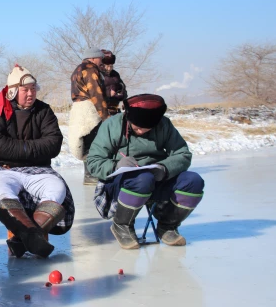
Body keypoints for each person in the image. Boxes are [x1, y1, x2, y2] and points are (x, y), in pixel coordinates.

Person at [0, 64, 75, 259]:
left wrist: (15, 149)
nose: (30, 94)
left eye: (33, 89)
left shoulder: (44, 111)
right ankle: (30, 237)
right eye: (25, 90)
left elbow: (53, 144)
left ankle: (22, 239)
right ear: (13, 91)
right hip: (3, 170)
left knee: (57, 189)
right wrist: (32, 149)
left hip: (39, 170)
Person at [86, 94, 205, 249]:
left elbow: (182, 154)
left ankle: (167, 225)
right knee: (143, 179)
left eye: (147, 128)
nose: (141, 132)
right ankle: (122, 225)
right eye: (137, 127)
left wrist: (164, 168)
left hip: (157, 178)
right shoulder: (112, 126)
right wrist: (116, 166)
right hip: (123, 182)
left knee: (193, 182)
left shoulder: (164, 125)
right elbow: (93, 162)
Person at [67, 47, 108, 185]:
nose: (102, 61)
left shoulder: (77, 69)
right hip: (89, 110)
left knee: (87, 142)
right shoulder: (91, 69)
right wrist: (105, 116)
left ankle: (88, 174)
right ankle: (92, 175)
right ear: (94, 58)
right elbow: (96, 93)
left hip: (78, 110)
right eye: (100, 58)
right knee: (94, 143)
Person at [100, 49, 127, 116]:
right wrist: (108, 93)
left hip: (115, 110)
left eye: (111, 66)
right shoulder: (97, 74)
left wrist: (122, 94)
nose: (109, 69)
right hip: (102, 111)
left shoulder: (115, 75)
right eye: (107, 66)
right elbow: (94, 92)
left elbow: (122, 87)